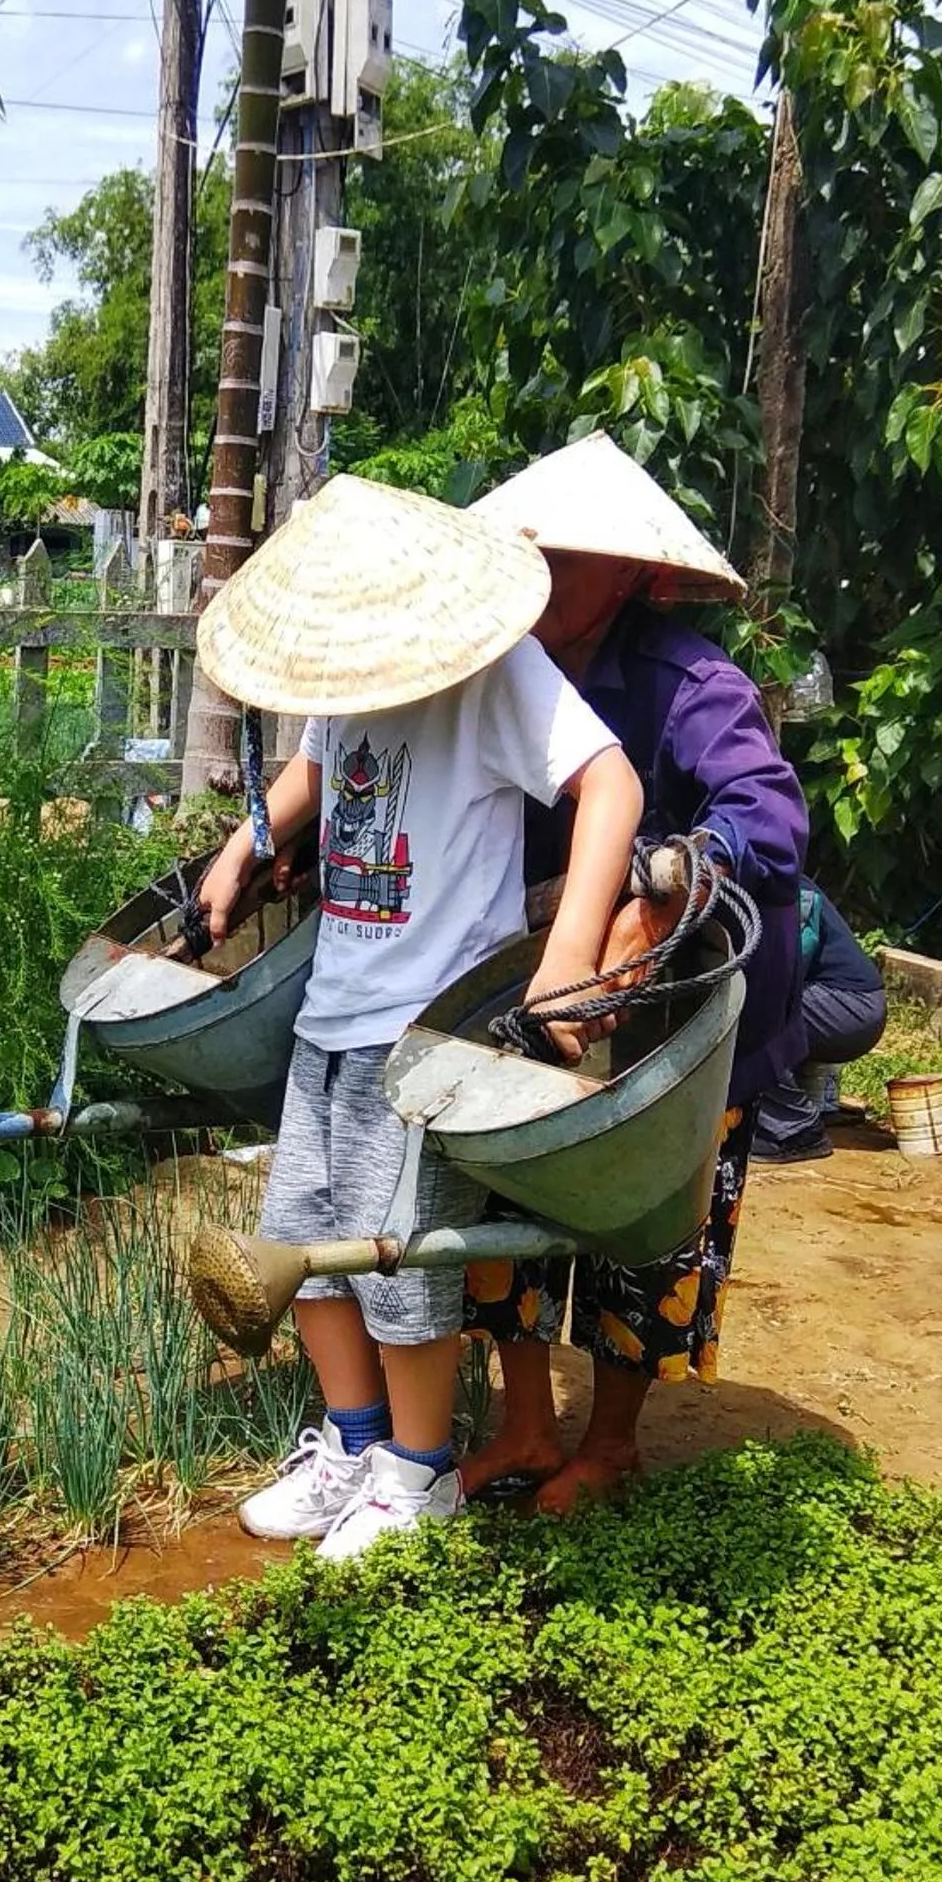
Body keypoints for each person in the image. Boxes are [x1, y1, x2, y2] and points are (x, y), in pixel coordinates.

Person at [192, 472, 643, 1563]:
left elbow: (611, 784)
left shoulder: (494, 673)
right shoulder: (346, 676)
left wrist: (570, 954)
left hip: (430, 1027)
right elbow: (309, 769)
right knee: (305, 1245)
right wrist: (244, 846)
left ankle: (419, 1468)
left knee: (402, 1261)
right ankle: (353, 1446)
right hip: (332, 1012)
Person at [460, 433, 809, 1517]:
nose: (545, 578)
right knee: (495, 1177)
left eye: (570, 559)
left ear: (630, 576)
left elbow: (769, 814)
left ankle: (610, 1444)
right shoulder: (493, 673)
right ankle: (525, 1418)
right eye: (532, 555)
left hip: (690, 1000)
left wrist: (662, 880)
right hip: (539, 984)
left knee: (655, 1218)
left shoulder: (690, 681)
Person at [752, 887, 886, 1163]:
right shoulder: (775, 878)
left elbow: (783, 972)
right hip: (842, 1004)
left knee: (746, 1011)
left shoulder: (790, 890)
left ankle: (794, 1130)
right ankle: (812, 1105)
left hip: (850, 1008)